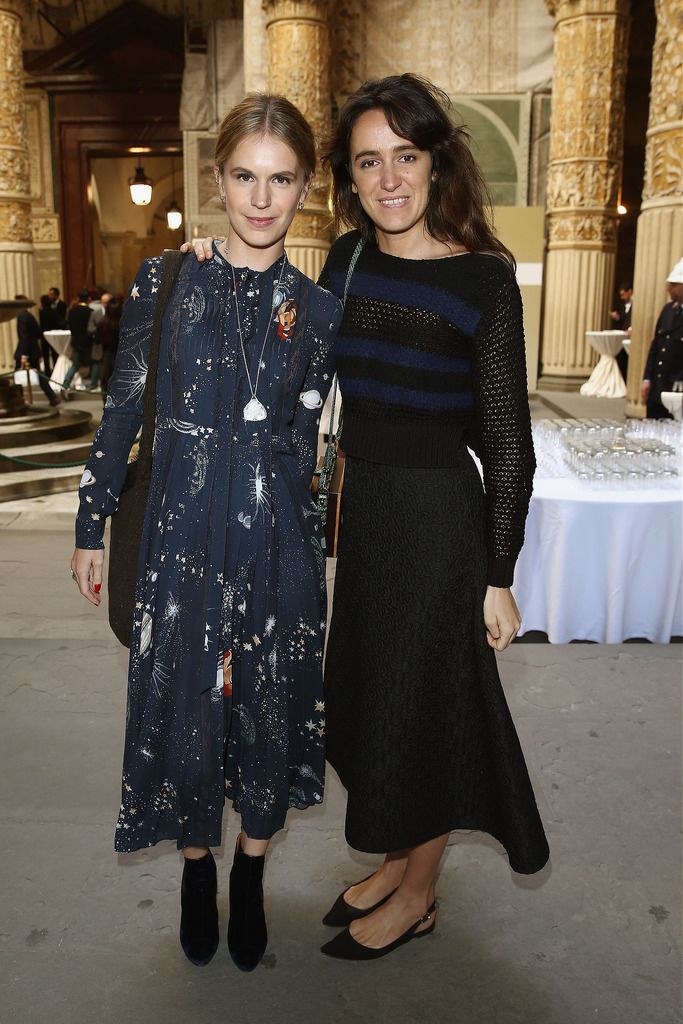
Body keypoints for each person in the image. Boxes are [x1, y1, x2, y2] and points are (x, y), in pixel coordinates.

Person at [187, 74, 549, 961]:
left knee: (423, 711)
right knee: (373, 701)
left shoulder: (483, 280)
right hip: (363, 518)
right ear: (349, 179)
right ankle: (396, 860)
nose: (390, 179)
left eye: (407, 157)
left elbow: (507, 441)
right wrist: (212, 264)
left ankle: (419, 895)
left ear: (436, 162)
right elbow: (281, 338)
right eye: (369, 163)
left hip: (435, 524)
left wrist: (498, 573)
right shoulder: (347, 261)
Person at [70, 94, 343, 973]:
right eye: (243, 177)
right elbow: (123, 409)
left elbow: (315, 440)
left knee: (267, 708)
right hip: (182, 535)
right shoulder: (166, 280)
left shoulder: (320, 309)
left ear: (306, 187)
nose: (261, 199)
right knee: (186, 707)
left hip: (275, 545)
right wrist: (90, 518)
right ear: (217, 177)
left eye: (281, 179)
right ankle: (196, 868)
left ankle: (252, 872)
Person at [640, 259, 683, 419]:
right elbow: (656, 346)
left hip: (677, 390)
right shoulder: (668, 310)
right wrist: (647, 378)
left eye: (673, 284)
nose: (668, 288)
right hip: (658, 388)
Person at [13, 296, 59, 406]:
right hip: (33, 350)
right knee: (39, 375)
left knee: (17, 376)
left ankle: (18, 400)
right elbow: (38, 333)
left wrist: (24, 354)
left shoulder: (22, 317)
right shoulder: (29, 315)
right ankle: (52, 397)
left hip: (26, 351)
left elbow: (24, 337)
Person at [63, 290, 96, 391]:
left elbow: (70, 326)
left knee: (75, 365)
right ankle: (93, 384)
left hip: (76, 341)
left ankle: (65, 383)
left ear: (78, 298)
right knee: (94, 362)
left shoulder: (72, 312)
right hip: (87, 341)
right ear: (89, 299)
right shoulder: (90, 312)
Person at [96, 298, 122, 401]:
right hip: (120, 355)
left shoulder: (102, 322)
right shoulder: (122, 323)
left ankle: (106, 402)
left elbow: (97, 340)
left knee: (106, 380)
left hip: (106, 354)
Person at [610, 281, 633, 381]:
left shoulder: (636, 304)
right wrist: (617, 318)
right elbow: (623, 320)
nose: (622, 297)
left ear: (630, 292)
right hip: (623, 335)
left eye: (623, 294)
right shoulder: (622, 306)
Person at [38, 294, 59, 376]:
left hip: (44, 335)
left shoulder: (41, 312)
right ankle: (55, 370)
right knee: (54, 354)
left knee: (46, 355)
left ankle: (47, 372)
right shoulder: (53, 311)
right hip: (53, 335)